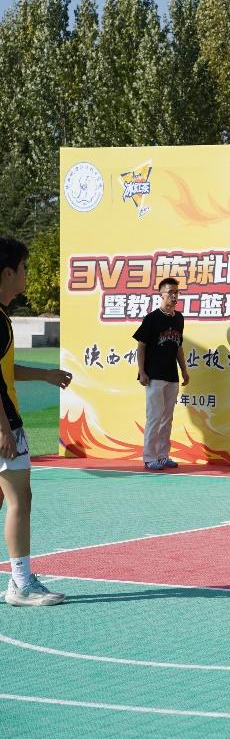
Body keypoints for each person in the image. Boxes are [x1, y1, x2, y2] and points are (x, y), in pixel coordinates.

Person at [1, 236, 73, 606]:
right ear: (7, 273)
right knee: (20, 499)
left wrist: (44, 375)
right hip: (5, 425)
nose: (26, 275)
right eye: (24, 268)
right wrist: (3, 429)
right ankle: (21, 583)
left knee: (5, 497)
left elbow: (4, 369)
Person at [134, 277, 190, 471]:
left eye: (177, 292)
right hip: (154, 375)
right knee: (155, 417)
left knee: (167, 418)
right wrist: (142, 371)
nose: (174, 296)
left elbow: (178, 347)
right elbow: (141, 346)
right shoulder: (152, 318)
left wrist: (184, 370)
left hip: (172, 375)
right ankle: (150, 457)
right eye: (170, 292)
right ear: (161, 294)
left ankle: (163, 455)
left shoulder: (179, 318)